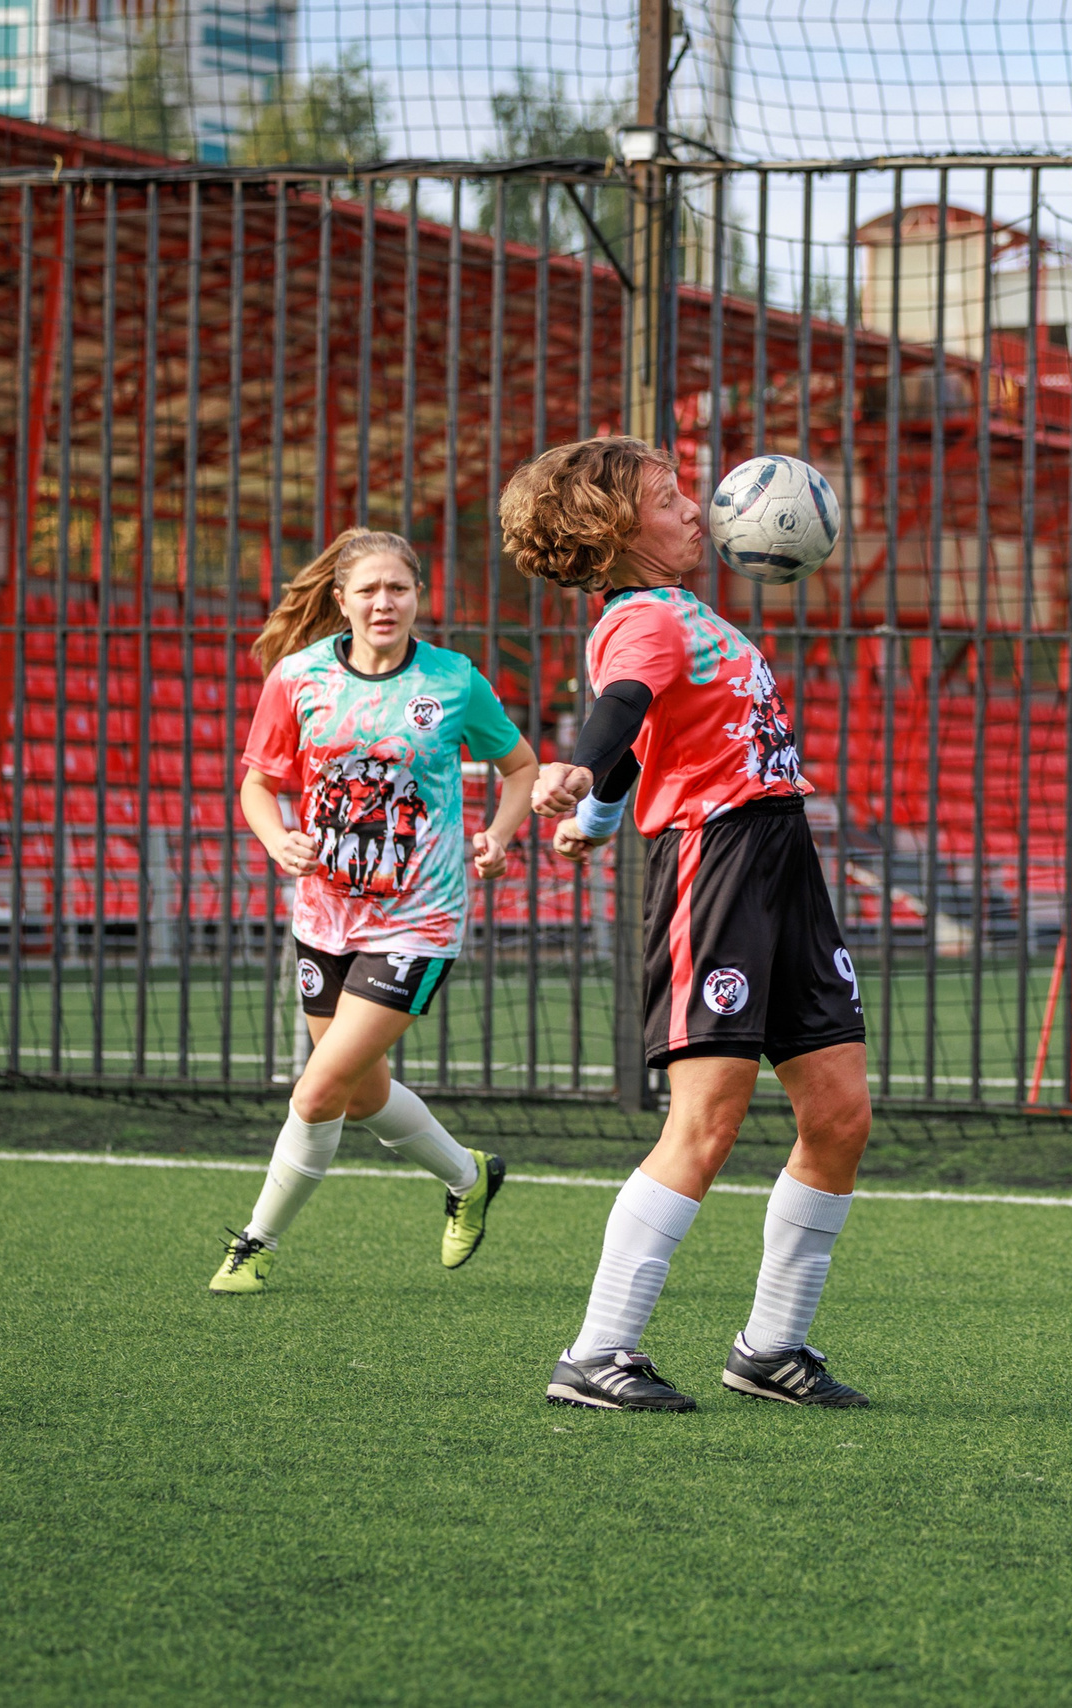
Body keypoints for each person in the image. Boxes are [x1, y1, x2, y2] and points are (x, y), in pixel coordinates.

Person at [499, 435, 871, 1414]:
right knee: (706, 1120)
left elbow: (642, 738)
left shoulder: (685, 613)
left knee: (838, 1114)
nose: (694, 508)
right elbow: (621, 708)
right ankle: (598, 1351)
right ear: (615, 530)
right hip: (720, 861)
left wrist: (594, 812)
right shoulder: (645, 619)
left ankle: (771, 1347)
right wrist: (578, 767)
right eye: (670, 499)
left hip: (782, 855)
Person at [208, 528, 540, 1293]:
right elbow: (257, 786)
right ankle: (468, 1176)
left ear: (418, 595)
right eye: (369, 590)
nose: (385, 603)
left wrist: (497, 832)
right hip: (323, 917)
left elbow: (519, 766)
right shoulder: (297, 678)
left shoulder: (454, 680)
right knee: (358, 1095)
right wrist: (276, 838)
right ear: (342, 600)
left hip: (420, 921)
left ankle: (252, 1246)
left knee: (317, 1090)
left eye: (399, 588)